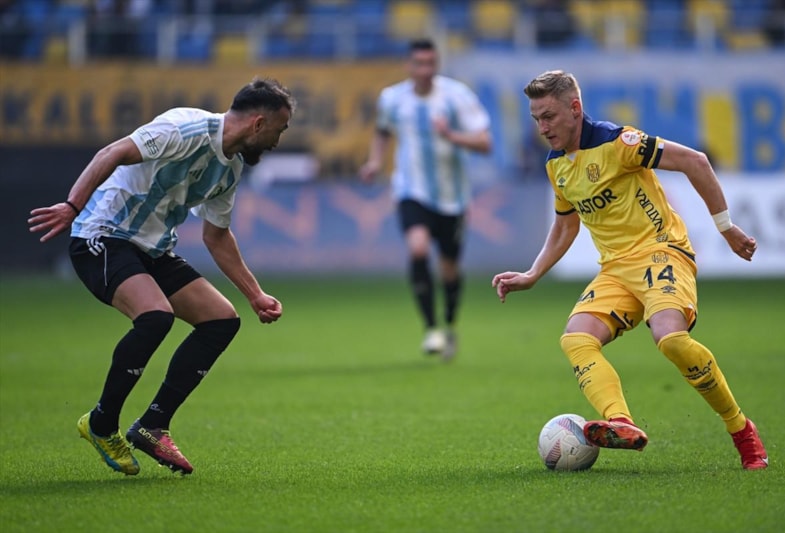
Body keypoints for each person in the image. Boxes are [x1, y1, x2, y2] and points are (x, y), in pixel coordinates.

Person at [491, 70, 768, 470]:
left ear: (575, 108)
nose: (542, 128)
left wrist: (726, 229)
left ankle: (741, 429)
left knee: (671, 340)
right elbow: (566, 225)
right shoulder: (556, 166)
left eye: (548, 116)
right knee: (576, 338)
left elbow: (695, 161)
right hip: (615, 270)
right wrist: (533, 274)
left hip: (662, 251)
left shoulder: (619, 143)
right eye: (536, 119)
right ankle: (620, 421)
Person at [28, 77, 295, 475]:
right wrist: (72, 205)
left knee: (221, 320)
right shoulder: (185, 128)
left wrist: (254, 294)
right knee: (155, 316)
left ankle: (153, 425)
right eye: (280, 129)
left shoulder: (230, 168)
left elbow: (216, 236)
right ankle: (101, 423)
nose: (277, 140)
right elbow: (112, 152)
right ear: (258, 123)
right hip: (103, 235)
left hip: (152, 250)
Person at [360, 38, 492, 360]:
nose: (425, 70)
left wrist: (451, 135)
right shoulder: (392, 98)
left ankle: (449, 323)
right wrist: (375, 161)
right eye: (419, 63)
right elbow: (382, 131)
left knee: (449, 269)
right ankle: (431, 328)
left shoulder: (457, 96)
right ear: (409, 65)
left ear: (437, 65)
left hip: (453, 197)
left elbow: (485, 143)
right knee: (418, 248)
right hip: (411, 189)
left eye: (430, 63)